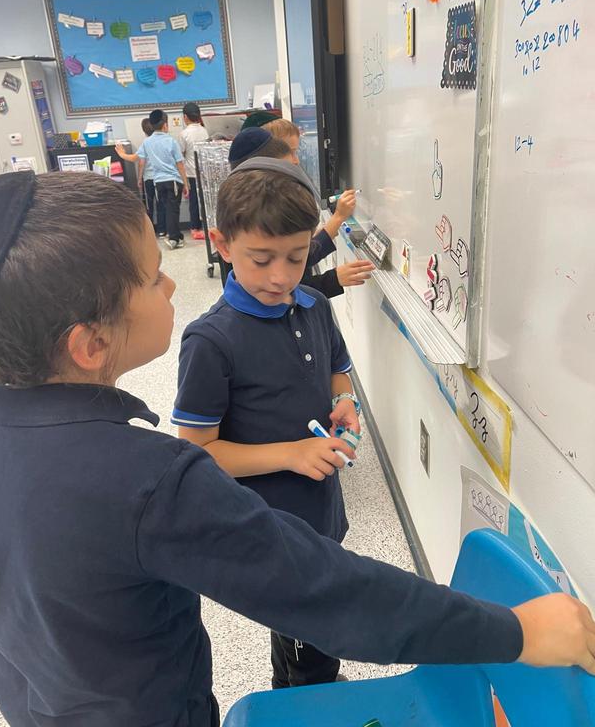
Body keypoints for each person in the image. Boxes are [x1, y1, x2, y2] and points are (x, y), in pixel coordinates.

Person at [0, 171, 594, 727]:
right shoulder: (148, 480)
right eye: (154, 277)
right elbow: (326, 591)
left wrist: (343, 402)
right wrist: (517, 631)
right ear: (91, 344)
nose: (173, 282)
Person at [171, 157, 595, 692]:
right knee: (305, 635)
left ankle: (312, 679)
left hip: (321, 507)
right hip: (269, 525)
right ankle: (309, 694)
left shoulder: (312, 304)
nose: (281, 276)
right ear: (223, 245)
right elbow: (198, 452)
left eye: (297, 257)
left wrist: (344, 402)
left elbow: (338, 370)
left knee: (317, 617)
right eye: (262, 260)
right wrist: (291, 453)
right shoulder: (211, 341)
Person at [228, 129, 375, 298]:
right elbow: (286, 293)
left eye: (295, 257)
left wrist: (337, 219)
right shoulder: (255, 216)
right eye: (292, 153)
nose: (296, 161)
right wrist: (333, 279)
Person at [116, 109, 188, 250]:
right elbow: (180, 164)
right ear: (165, 125)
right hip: (173, 181)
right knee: (173, 210)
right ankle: (174, 239)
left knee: (168, 208)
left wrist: (122, 154)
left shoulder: (147, 142)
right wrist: (186, 183)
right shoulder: (171, 141)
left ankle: (178, 236)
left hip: (158, 183)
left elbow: (134, 158)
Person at [179, 101, 209, 241]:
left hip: (191, 172)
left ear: (185, 117)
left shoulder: (184, 134)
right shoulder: (204, 130)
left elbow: (181, 153)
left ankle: (195, 228)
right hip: (204, 171)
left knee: (194, 201)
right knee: (205, 200)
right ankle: (207, 226)